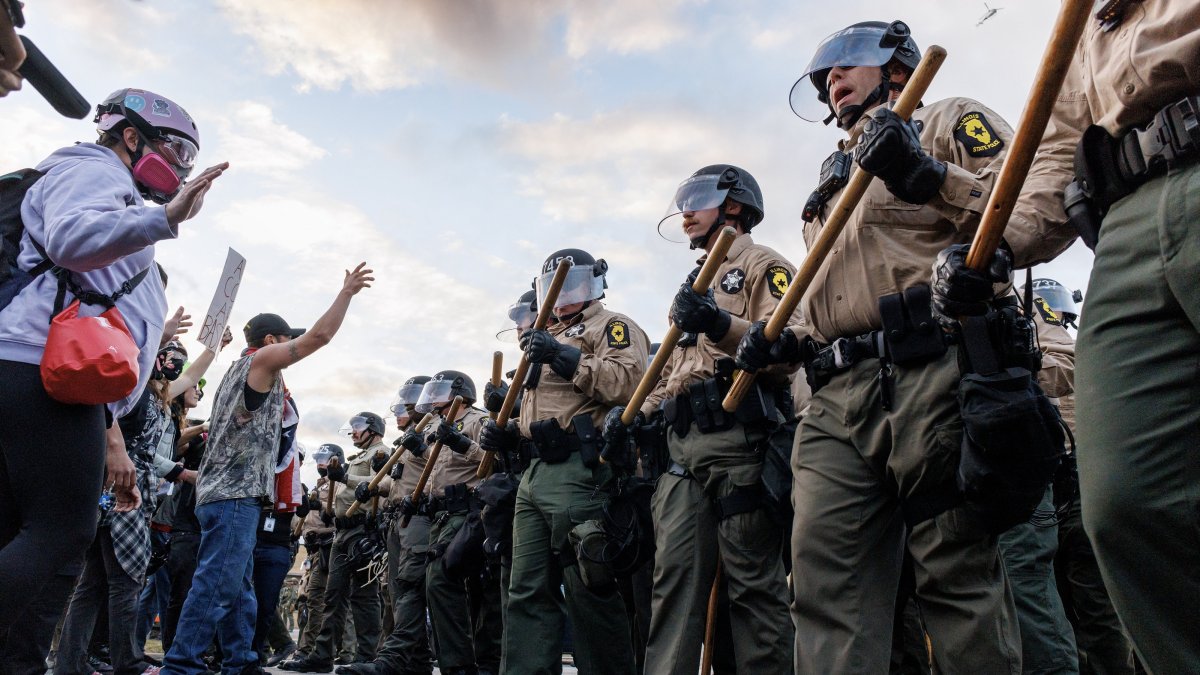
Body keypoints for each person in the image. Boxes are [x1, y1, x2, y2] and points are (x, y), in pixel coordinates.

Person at [746, 20, 1051, 671]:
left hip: (929, 369)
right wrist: (774, 344)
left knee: (956, 572)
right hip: (832, 400)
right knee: (825, 587)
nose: (832, 80)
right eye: (824, 75)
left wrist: (926, 172)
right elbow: (823, 298)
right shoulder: (828, 183)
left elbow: (1023, 208)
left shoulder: (946, 119)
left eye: (844, 64)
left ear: (893, 63)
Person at [992, 6, 1200, 667]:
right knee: (1126, 503)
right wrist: (987, 246)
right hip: (1130, 217)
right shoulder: (1084, 27)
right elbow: (1053, 157)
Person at [0, 87, 225, 671]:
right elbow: (73, 239)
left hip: (45, 374)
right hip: (43, 372)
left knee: (29, 534)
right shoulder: (95, 171)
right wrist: (164, 218)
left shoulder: (113, 190)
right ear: (131, 136)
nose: (180, 167)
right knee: (62, 531)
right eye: (175, 149)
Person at [607, 164, 797, 673]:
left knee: (753, 584)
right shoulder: (692, 285)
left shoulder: (763, 264)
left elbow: (790, 346)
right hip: (681, 447)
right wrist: (630, 417)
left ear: (732, 204)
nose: (685, 210)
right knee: (672, 585)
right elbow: (671, 371)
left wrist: (719, 322)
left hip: (740, 439)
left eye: (697, 197)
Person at [161, 264, 374, 675]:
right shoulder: (261, 361)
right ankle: (180, 664)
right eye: (285, 341)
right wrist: (345, 292)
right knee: (217, 582)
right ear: (272, 341)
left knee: (239, 586)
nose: (289, 346)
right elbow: (319, 337)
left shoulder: (231, 375)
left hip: (221, 494)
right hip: (233, 495)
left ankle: (242, 662)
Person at [480, 248, 649, 675]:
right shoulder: (546, 335)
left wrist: (561, 354)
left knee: (588, 584)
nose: (561, 297)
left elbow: (628, 384)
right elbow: (543, 414)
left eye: (573, 285)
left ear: (594, 285)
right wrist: (509, 430)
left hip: (582, 468)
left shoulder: (611, 326)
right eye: (554, 287)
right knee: (526, 589)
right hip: (535, 472)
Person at [339, 377, 435, 675]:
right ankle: (415, 661)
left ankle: (391, 659)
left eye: (412, 401)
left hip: (419, 516)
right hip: (396, 519)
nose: (404, 408)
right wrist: (374, 489)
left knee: (408, 587)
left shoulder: (432, 432)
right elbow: (397, 482)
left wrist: (421, 450)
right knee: (394, 591)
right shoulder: (408, 437)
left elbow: (444, 470)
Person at [283, 412, 389, 672]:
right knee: (333, 596)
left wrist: (344, 477)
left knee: (364, 597)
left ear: (373, 430)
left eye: (358, 427)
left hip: (363, 531)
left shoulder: (381, 453)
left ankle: (366, 657)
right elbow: (342, 495)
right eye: (352, 428)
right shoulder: (356, 459)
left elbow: (384, 482)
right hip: (341, 533)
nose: (353, 432)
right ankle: (322, 656)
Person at [411, 370, 501, 675]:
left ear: (460, 392)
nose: (434, 397)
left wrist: (463, 443)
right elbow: (437, 468)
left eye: (441, 390)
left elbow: (496, 461)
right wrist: (419, 451)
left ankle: (461, 665)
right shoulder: (436, 426)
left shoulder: (479, 420)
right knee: (450, 583)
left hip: (470, 510)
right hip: (442, 512)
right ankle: (466, 660)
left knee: (443, 579)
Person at [293, 444, 345, 662]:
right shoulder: (320, 485)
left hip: (329, 547)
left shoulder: (339, 484)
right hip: (314, 549)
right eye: (319, 458)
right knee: (315, 600)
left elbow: (340, 513)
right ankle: (311, 649)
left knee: (322, 600)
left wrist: (320, 507)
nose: (320, 462)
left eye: (325, 458)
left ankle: (317, 651)